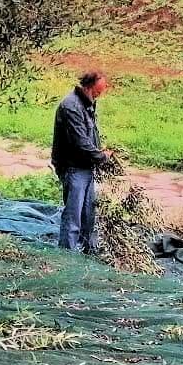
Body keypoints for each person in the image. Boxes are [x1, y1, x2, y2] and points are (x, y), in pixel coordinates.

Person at [51, 71, 112, 254]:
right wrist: (102, 157)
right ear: (87, 87)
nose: (97, 96)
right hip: (73, 167)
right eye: (96, 93)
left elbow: (90, 135)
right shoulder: (71, 106)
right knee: (73, 214)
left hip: (86, 166)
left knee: (88, 212)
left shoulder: (87, 103)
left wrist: (99, 150)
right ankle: (67, 254)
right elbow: (81, 142)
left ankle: (88, 250)